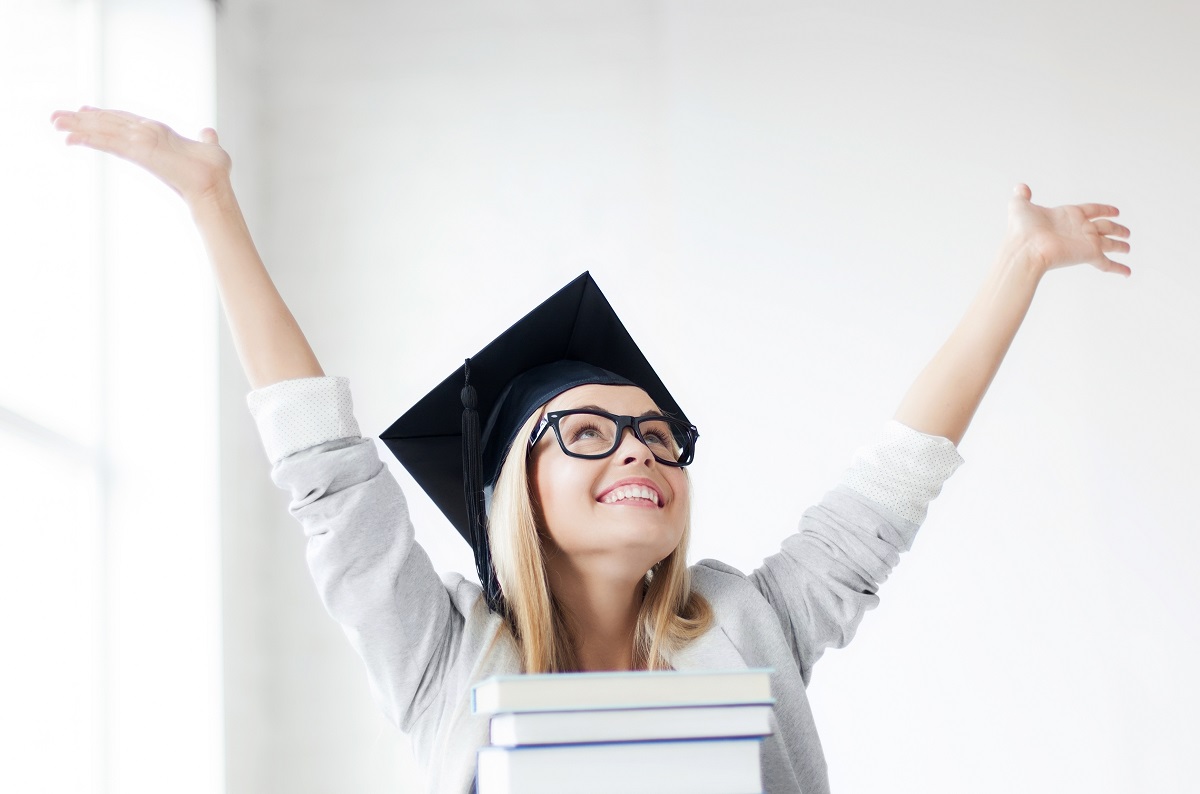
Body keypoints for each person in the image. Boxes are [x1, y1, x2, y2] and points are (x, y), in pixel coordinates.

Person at [51, 107, 1132, 793]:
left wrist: (1018, 268)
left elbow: (888, 487)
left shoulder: (750, 625)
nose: (640, 450)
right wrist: (210, 200)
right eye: (591, 431)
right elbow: (327, 476)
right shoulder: (445, 655)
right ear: (514, 485)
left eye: (659, 435)